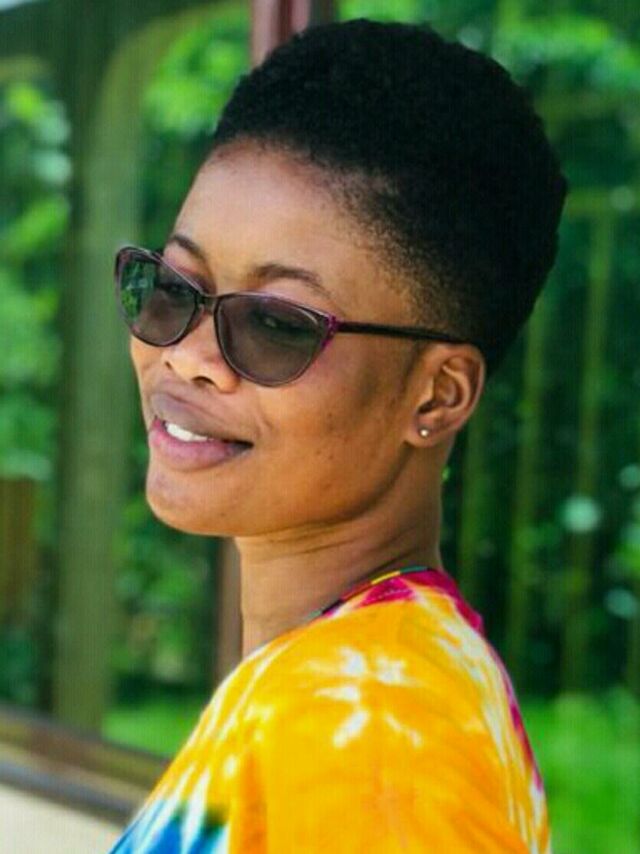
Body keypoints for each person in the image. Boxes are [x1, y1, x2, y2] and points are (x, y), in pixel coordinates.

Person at [109, 18, 566, 853]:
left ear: (438, 394)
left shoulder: (371, 736)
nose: (189, 357)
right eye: (173, 287)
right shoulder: (342, 681)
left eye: (277, 324)